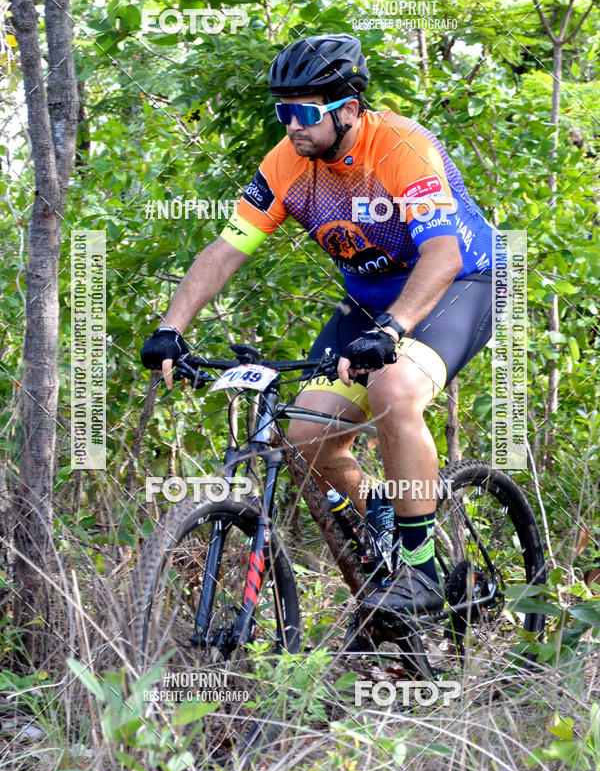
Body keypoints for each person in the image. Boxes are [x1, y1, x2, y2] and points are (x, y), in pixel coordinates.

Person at [141, 33, 500, 638]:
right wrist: (170, 328)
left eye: (304, 113)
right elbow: (227, 249)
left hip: (458, 284)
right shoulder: (288, 162)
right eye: (282, 113)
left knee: (394, 389)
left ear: (350, 110)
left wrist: (394, 328)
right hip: (368, 303)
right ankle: (381, 570)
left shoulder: (402, 148)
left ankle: (420, 569)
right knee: (306, 438)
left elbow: (442, 252)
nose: (292, 126)